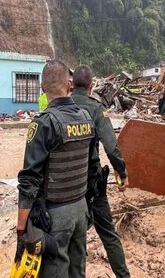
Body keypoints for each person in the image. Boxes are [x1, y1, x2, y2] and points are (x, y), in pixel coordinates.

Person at [17, 60, 95, 278]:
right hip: (80, 209)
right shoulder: (86, 118)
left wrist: (21, 229)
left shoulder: (44, 123)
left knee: (54, 271)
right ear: (69, 85)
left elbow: (29, 181)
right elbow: (92, 168)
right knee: (77, 269)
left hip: (55, 215)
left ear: (42, 87)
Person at [71, 65, 130, 278]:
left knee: (73, 237)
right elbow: (111, 146)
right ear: (91, 85)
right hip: (92, 183)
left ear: (71, 84)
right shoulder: (96, 109)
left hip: (66, 187)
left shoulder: (60, 106)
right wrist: (122, 172)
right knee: (108, 234)